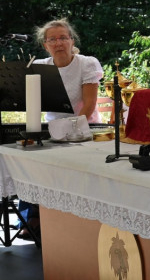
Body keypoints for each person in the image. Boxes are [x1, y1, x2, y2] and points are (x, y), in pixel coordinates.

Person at [21, 18, 104, 240]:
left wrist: (71, 131)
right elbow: (32, 102)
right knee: (29, 161)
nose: (58, 43)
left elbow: (89, 105)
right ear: (45, 45)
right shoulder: (39, 66)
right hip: (51, 129)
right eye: (52, 39)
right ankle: (33, 216)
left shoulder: (87, 64)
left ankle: (63, 218)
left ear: (71, 41)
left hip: (85, 128)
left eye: (63, 38)